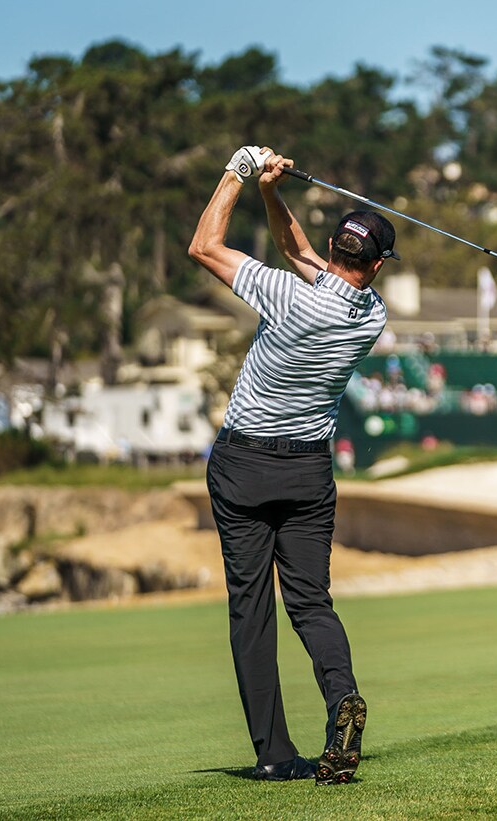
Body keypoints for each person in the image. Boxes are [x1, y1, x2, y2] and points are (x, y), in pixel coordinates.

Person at [189, 145, 393, 785]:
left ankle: (275, 755)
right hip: (308, 473)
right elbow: (297, 252)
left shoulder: (286, 296)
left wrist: (238, 172)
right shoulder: (371, 316)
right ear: (376, 265)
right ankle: (342, 698)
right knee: (310, 601)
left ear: (335, 248)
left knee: (251, 608)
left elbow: (203, 246)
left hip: (244, 465)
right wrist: (271, 193)